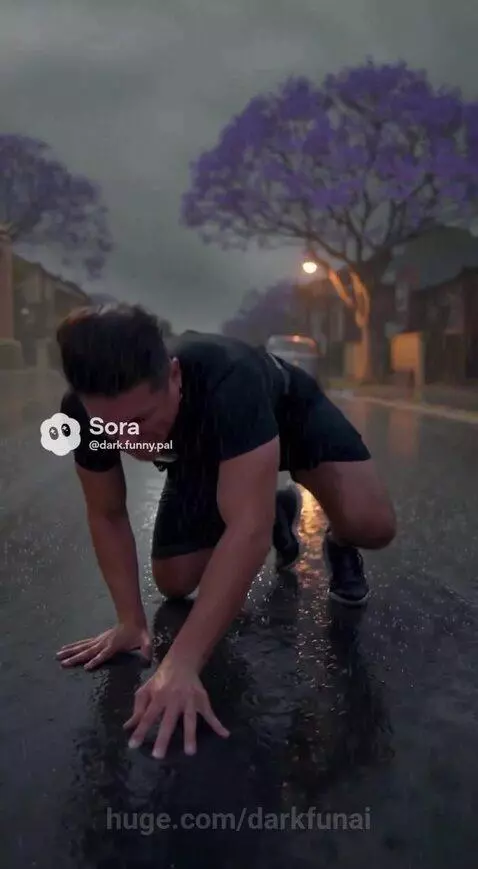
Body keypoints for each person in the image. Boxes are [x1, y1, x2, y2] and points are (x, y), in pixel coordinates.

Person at [55, 303, 396, 760]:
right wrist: (129, 620)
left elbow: (246, 533)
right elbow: (107, 513)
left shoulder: (229, 378)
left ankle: (334, 538)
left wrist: (181, 663)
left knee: (372, 525)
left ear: (174, 377)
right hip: (206, 449)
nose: (129, 443)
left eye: (139, 422)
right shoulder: (80, 413)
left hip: (288, 413)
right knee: (175, 582)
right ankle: (271, 505)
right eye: (109, 428)